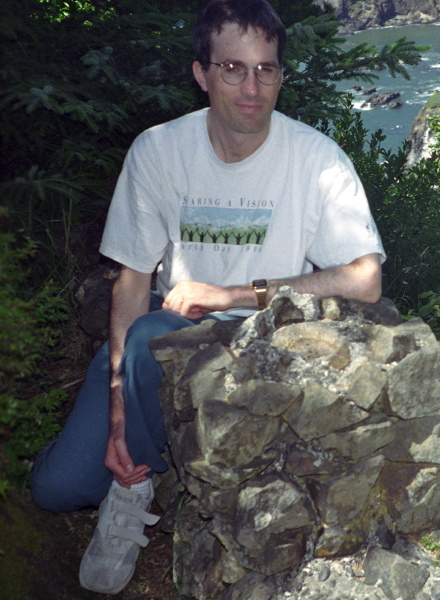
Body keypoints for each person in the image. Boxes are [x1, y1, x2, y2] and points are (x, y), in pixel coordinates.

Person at [30, 0, 385, 594]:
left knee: (148, 334)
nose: (253, 87)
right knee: (54, 490)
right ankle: (134, 455)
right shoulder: (159, 151)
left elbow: (365, 279)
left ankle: (132, 488)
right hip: (154, 349)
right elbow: (133, 280)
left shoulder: (316, 159)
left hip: (258, 342)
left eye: (266, 69)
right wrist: (117, 403)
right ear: (201, 73)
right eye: (233, 69)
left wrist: (234, 292)